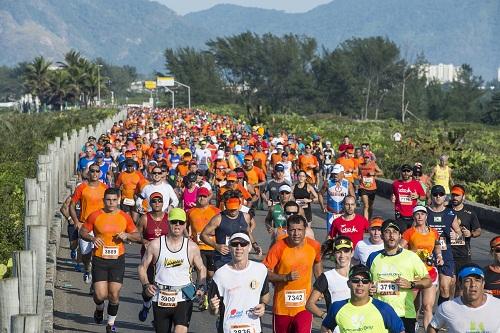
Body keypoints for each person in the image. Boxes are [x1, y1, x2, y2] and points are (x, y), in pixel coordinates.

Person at [79, 188, 141, 333]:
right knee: (100, 294)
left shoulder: (124, 216)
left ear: (118, 200)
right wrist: (92, 238)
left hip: (117, 260)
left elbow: (137, 236)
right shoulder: (95, 215)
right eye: (108, 200)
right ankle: (99, 308)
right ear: (104, 200)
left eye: (114, 200)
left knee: (114, 293)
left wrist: (127, 236)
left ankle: (110, 324)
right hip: (100, 259)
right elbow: (83, 231)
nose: (111, 203)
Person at [138, 207, 206, 333]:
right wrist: (146, 285)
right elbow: (142, 267)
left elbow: (201, 268)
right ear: (168, 222)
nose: (177, 225)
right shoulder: (156, 245)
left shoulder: (191, 247)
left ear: (185, 224)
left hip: (183, 297)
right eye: (174, 221)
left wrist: (201, 286)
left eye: (181, 222)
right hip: (161, 297)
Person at [366, 219, 431, 333]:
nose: (391, 236)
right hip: (379, 313)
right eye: (387, 232)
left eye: (395, 232)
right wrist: (369, 289)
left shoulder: (411, 257)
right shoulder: (373, 257)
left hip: (404, 314)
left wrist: (411, 284)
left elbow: (428, 281)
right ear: (382, 235)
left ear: (400, 235)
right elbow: (366, 282)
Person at [263, 214, 323, 333]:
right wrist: (284, 277)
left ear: (305, 230)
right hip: (282, 308)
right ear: (287, 230)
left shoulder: (314, 246)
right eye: (292, 230)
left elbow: (317, 263)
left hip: (304, 307)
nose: (296, 234)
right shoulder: (279, 247)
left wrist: (320, 286)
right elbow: (264, 271)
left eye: (300, 230)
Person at [209, 232, 270, 333]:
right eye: (234, 244)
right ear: (229, 247)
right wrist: (213, 307)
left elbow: (265, 296)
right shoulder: (220, 274)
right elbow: (213, 311)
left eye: (243, 244)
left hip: (254, 328)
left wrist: (263, 305)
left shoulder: (260, 270)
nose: (239, 247)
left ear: (249, 247)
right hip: (228, 328)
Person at [320, 265, 405, 333]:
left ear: (370, 285)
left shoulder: (383, 308)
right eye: (355, 280)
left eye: (365, 281)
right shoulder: (337, 307)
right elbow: (325, 327)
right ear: (348, 283)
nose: (360, 284)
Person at [400, 205, 443, 331]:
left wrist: (439, 256)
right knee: (413, 306)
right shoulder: (409, 232)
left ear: (426, 216)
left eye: (422, 214)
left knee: (428, 306)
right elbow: (400, 249)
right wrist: (415, 252)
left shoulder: (433, 232)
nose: (420, 217)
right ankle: (412, 327)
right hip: (413, 273)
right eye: (417, 214)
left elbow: (437, 245)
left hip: (429, 272)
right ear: (413, 216)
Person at [427, 264, 500, 333]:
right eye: (467, 280)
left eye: (477, 280)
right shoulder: (447, 307)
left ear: (483, 283)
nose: (473, 285)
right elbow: (432, 327)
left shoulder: (497, 306)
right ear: (460, 284)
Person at [200, 194, 261, 271]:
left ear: (239, 205)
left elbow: (248, 232)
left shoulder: (246, 216)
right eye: (230, 208)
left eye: (235, 208)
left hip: (240, 256)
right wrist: (216, 246)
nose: (233, 211)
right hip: (223, 257)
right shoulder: (218, 218)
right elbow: (203, 235)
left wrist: (255, 245)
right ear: (225, 205)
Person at [70, 164, 108, 285]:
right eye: (92, 171)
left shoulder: (105, 187)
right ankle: (87, 269)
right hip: (85, 225)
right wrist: (76, 222)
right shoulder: (81, 187)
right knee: (86, 254)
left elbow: (111, 205)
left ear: (100, 173)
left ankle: (96, 280)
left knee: (99, 254)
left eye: (97, 171)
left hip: (101, 225)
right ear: (89, 173)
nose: (95, 173)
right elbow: (71, 205)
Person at [136, 192, 170, 322]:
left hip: (165, 259)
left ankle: (159, 319)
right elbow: (136, 235)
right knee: (148, 289)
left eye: (159, 201)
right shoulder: (145, 218)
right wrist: (144, 241)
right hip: (149, 258)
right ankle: (146, 305)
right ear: (150, 203)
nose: (157, 203)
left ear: (163, 203)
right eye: (154, 201)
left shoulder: (168, 218)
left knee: (163, 288)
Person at [186, 187, 221, 310]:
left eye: (204, 196)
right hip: (198, 248)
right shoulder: (191, 212)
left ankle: (210, 293)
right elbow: (185, 226)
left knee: (211, 274)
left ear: (208, 198)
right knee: (202, 273)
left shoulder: (216, 211)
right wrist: (188, 237)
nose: (201, 198)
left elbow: (221, 227)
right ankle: (203, 297)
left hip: (212, 247)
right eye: (199, 196)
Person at [427, 185, 462, 305]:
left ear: (444, 197)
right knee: (426, 288)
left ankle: (441, 314)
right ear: (431, 196)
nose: (438, 197)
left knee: (444, 288)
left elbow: (459, 235)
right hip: (428, 252)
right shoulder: (424, 212)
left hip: (445, 252)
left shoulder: (450, 213)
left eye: (440, 194)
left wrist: (456, 236)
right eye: (435, 194)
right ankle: (422, 313)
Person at [306, 236, 353, 319]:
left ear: (352, 253)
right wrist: (325, 317)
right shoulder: (326, 277)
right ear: (334, 254)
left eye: (346, 251)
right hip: (336, 329)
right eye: (338, 252)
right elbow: (310, 304)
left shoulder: (359, 274)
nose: (342, 255)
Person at [449, 184, 481, 292]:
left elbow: (478, 231)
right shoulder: (445, 210)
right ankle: (447, 307)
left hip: (463, 254)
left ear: (463, 197)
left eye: (457, 195)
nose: (455, 198)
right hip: (447, 252)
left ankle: (457, 307)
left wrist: (470, 234)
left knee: (460, 285)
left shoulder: (470, 213)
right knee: (448, 285)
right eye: (453, 195)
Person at [391, 164, 426, 233]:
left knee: (413, 235)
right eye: (404, 171)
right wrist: (392, 198)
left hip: (413, 216)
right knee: (403, 234)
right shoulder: (395, 184)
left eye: (408, 171)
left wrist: (417, 196)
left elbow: (424, 197)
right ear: (401, 172)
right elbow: (392, 195)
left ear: (411, 172)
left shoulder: (416, 184)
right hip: (400, 215)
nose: (406, 173)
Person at [320, 164, 355, 233]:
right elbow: (320, 194)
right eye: (334, 173)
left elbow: (353, 197)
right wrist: (322, 206)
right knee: (330, 235)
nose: (335, 175)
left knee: (344, 234)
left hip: (344, 213)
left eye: (337, 174)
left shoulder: (348, 183)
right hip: (331, 213)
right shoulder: (328, 183)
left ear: (342, 173)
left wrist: (350, 209)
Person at [357, 153, 383, 219]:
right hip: (363, 187)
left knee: (370, 206)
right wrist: (359, 177)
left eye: (367, 158)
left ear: (370, 158)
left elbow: (381, 172)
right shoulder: (360, 165)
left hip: (372, 188)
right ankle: (365, 221)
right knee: (366, 205)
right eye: (365, 157)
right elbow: (359, 174)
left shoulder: (373, 164)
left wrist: (374, 173)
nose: (366, 159)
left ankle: (369, 220)